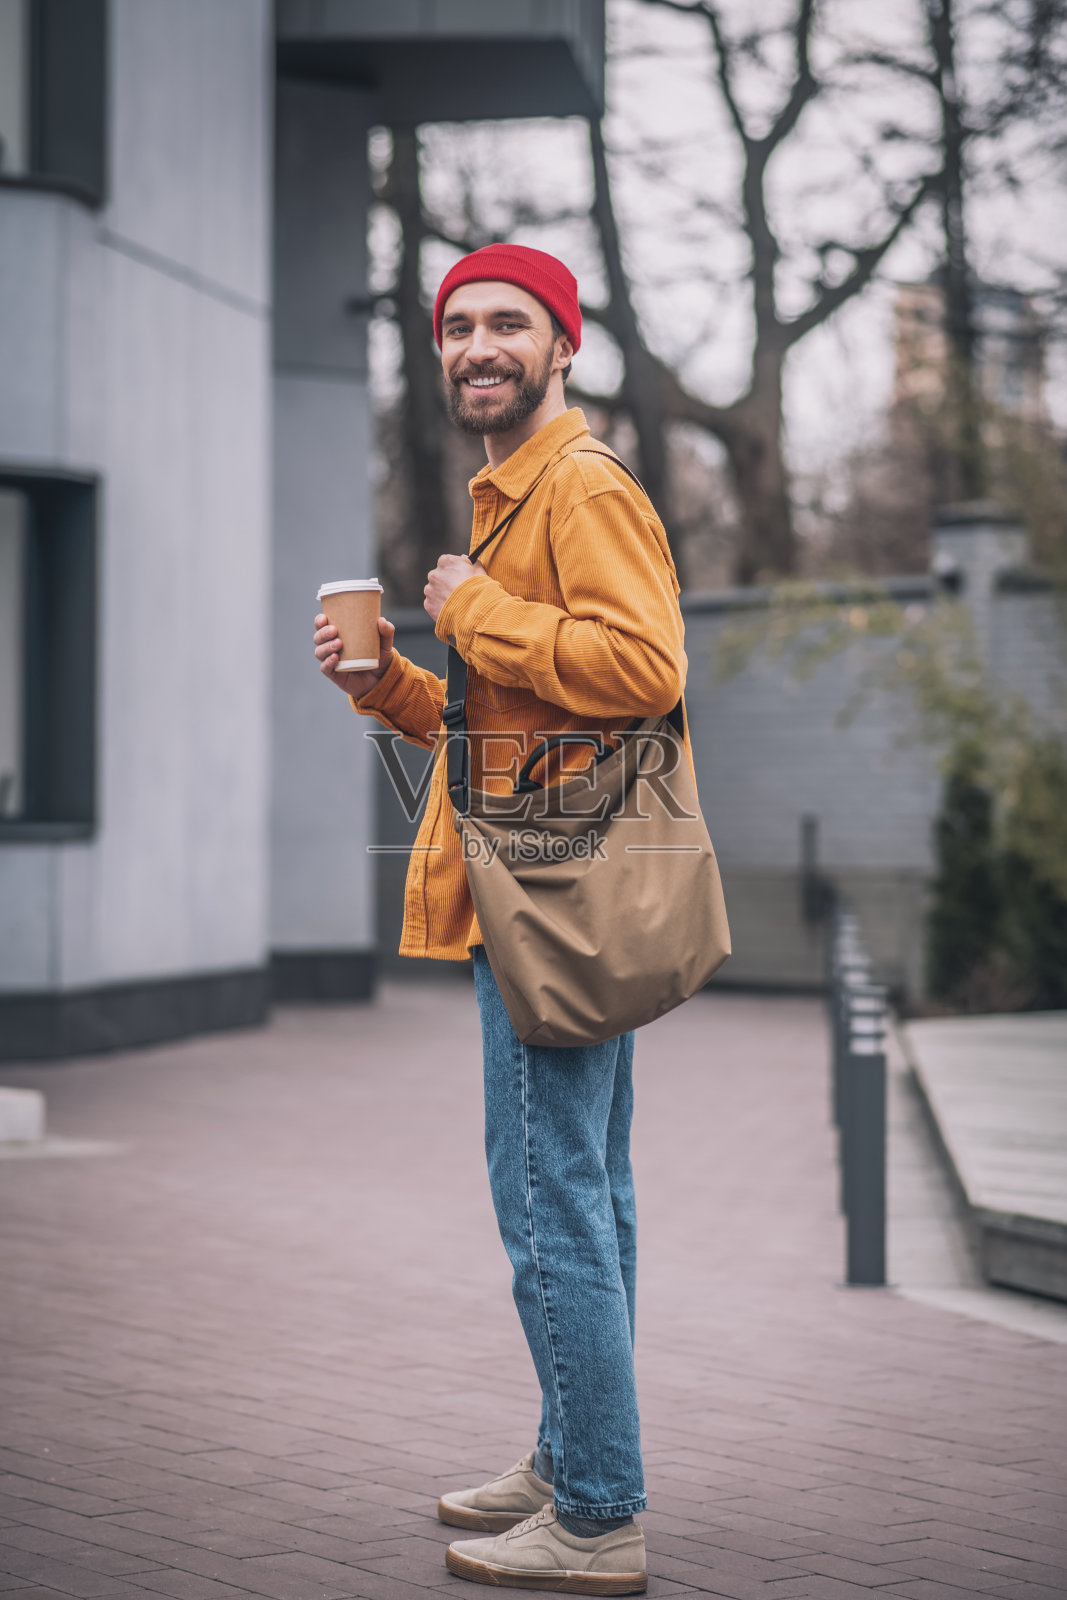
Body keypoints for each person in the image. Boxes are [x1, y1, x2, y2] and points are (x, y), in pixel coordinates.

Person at [313, 243, 690, 1595]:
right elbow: (503, 727)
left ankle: (597, 1516)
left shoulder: (578, 489)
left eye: (507, 324)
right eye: (457, 325)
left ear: (563, 345)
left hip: (549, 907)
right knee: (589, 1198)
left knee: (552, 1209)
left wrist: (481, 607)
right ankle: (567, 1456)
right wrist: (393, 686)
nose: (478, 345)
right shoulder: (509, 497)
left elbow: (643, 670)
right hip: (535, 887)